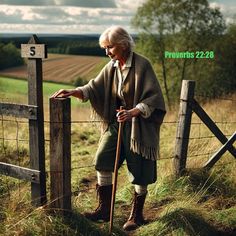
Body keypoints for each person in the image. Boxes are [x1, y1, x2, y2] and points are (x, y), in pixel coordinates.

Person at [51, 26, 166, 231]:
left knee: (138, 169)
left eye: (110, 47)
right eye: (105, 48)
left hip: (139, 126)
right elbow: (94, 87)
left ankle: (136, 215)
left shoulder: (142, 65)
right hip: (117, 123)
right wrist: (73, 91)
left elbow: (154, 99)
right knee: (103, 159)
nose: (107, 52)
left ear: (123, 44)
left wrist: (133, 112)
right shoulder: (112, 66)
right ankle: (104, 210)